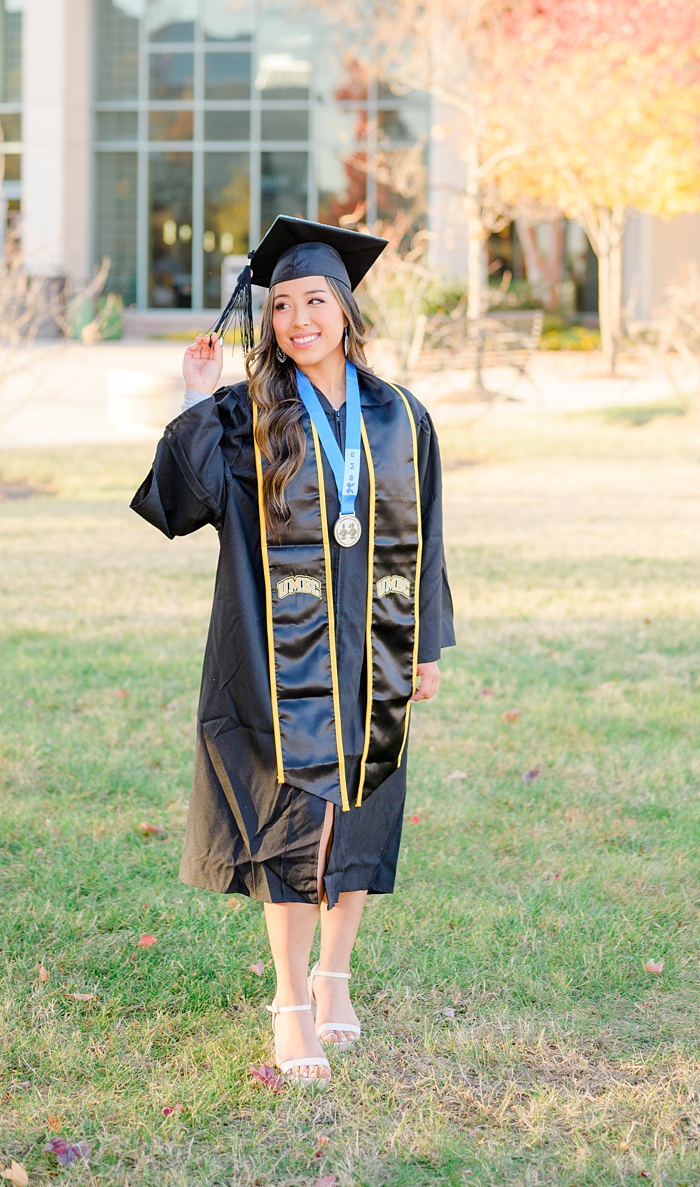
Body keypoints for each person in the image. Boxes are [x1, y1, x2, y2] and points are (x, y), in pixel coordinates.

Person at [132, 215, 454, 1084]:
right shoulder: (246, 414)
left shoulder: (401, 416)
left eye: (315, 300)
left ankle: (336, 977)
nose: (297, 319)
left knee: (361, 810)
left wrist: (424, 646)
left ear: (346, 311)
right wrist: (191, 399)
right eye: (281, 306)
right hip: (280, 656)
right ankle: (289, 1002)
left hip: (375, 647)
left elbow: (427, 535)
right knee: (295, 821)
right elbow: (178, 501)